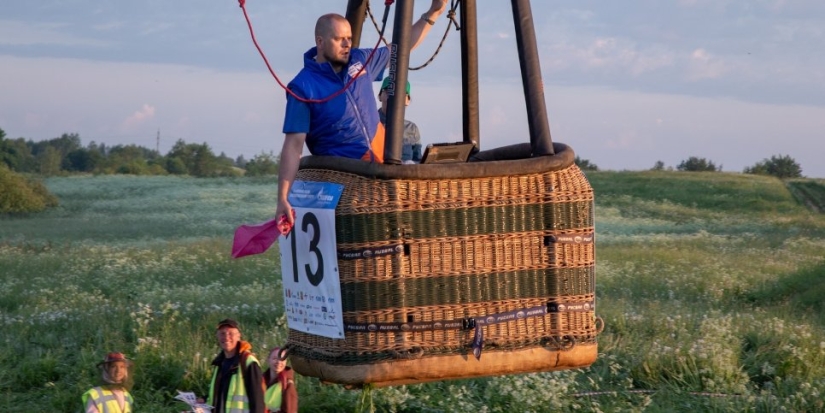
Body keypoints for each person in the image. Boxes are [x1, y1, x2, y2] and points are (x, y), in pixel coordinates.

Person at [276, 0, 449, 226]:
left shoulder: (360, 60)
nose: (347, 44)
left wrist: (432, 13)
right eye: (340, 39)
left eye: (349, 38)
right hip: (348, 179)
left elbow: (401, 47)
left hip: (384, 168)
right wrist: (282, 197)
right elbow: (293, 145)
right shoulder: (303, 87)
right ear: (320, 42)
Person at [206, 318, 265, 413]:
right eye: (222, 333)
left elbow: (257, 400)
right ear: (217, 336)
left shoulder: (248, 362)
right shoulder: (219, 363)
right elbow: (220, 393)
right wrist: (203, 399)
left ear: (238, 336)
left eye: (230, 333)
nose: (226, 337)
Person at [378, 77, 422, 164]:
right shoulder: (368, 124)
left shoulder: (412, 129)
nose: (393, 97)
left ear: (407, 100)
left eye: (401, 94)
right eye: (388, 91)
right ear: (380, 96)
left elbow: (418, 160)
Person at [263, 347, 298, 413]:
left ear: (285, 362)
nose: (279, 362)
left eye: (282, 359)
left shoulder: (287, 384)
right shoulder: (260, 381)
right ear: (268, 360)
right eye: (275, 358)